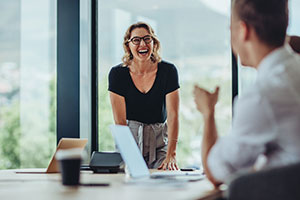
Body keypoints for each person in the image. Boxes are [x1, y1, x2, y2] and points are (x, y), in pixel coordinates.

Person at [194, 0, 300, 186]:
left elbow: (216, 171)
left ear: (243, 30)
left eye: (230, 29)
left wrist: (208, 113)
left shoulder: (263, 95)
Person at [108, 22, 180, 170]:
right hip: (130, 141)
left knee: (165, 180)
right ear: (128, 45)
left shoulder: (168, 71)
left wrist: (171, 154)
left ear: (154, 43)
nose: (143, 44)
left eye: (147, 39)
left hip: (159, 143)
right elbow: (120, 121)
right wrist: (131, 157)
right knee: (130, 187)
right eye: (136, 40)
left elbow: (173, 116)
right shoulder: (117, 74)